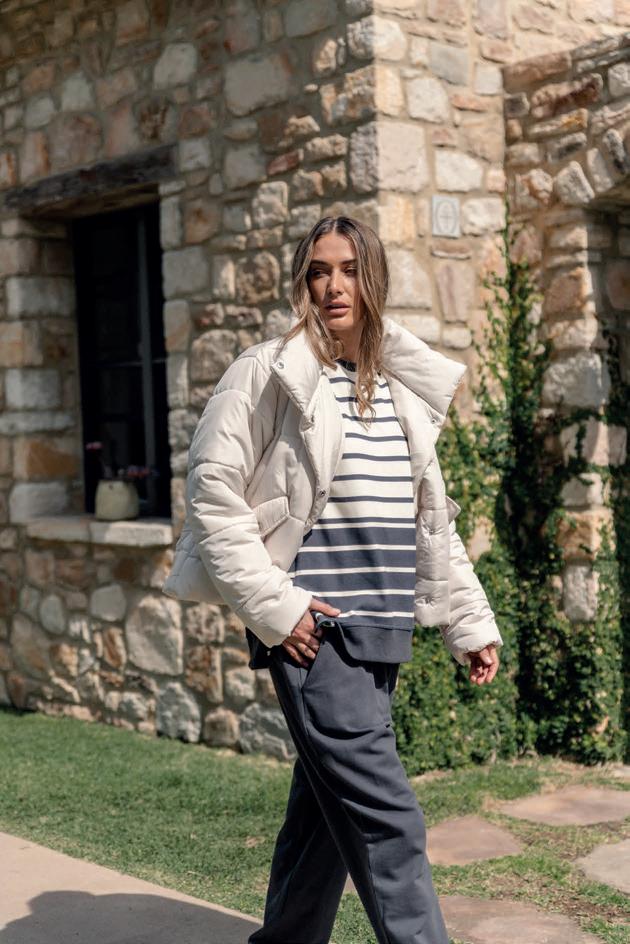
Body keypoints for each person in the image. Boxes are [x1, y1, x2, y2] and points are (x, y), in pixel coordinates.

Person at [163, 215, 503, 944]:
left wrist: (467, 620)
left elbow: (428, 520)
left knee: (322, 818)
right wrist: (278, 608)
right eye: (319, 271)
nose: (334, 286)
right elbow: (213, 493)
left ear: (374, 280)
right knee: (389, 821)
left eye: (350, 270)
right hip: (318, 635)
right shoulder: (268, 371)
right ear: (302, 283)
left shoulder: (398, 388)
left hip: (383, 631)